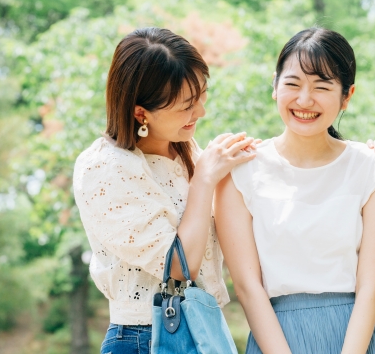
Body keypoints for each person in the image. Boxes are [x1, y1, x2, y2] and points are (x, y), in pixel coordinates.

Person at [214, 28, 375, 354]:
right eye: (292, 83)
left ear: (347, 95)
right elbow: (247, 287)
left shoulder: (371, 169)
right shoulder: (240, 171)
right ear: (274, 86)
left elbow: (371, 287)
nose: (304, 99)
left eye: (322, 86)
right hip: (278, 337)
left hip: (360, 336)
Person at [73, 27, 256, 354]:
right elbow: (178, 266)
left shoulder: (188, 152)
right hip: (146, 337)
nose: (201, 112)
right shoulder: (105, 168)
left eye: (202, 95)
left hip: (205, 330)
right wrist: (203, 180)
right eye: (187, 105)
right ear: (141, 113)